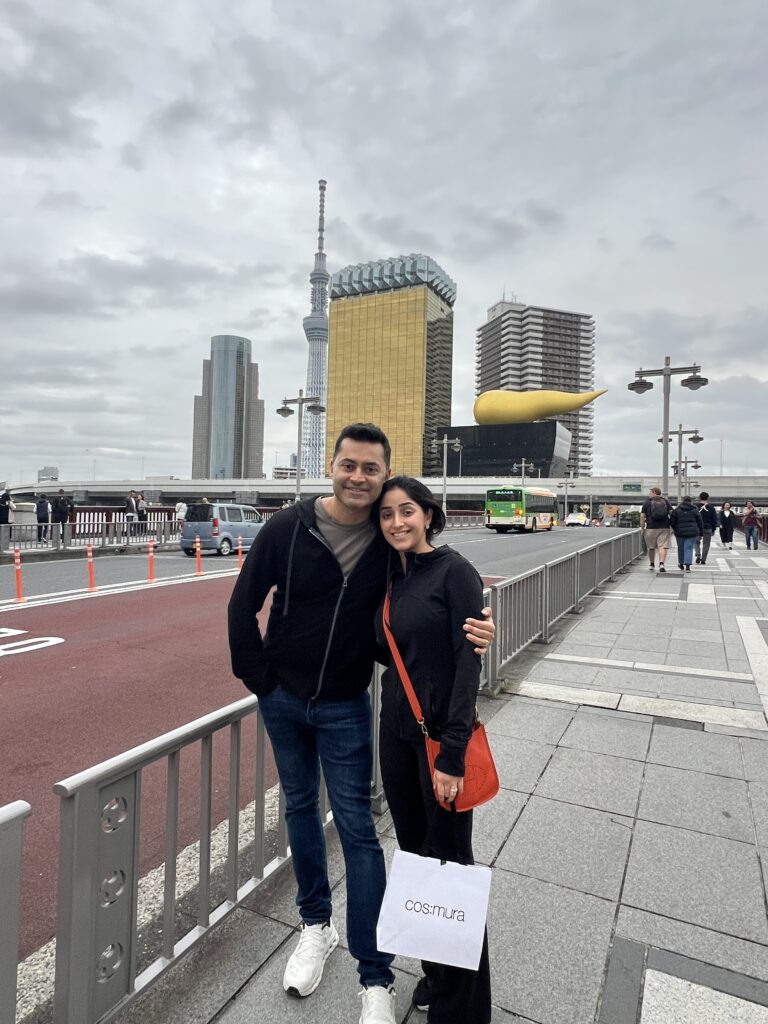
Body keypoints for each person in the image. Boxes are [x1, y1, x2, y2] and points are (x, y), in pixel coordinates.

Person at [228, 423, 494, 1024]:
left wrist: (474, 635)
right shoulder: (289, 528)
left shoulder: (400, 552)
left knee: (362, 831)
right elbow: (243, 602)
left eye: (370, 470)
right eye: (349, 465)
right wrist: (259, 679)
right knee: (301, 808)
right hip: (289, 700)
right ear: (333, 466)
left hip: (351, 704)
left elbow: (426, 626)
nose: (359, 478)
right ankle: (315, 926)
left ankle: (375, 975)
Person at [376, 476, 492, 1023]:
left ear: (427, 515)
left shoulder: (456, 572)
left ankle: (464, 1009)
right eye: (387, 515)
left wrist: (451, 754)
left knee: (451, 867)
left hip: (439, 744)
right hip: (396, 740)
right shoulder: (390, 581)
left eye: (407, 512)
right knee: (420, 863)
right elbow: (394, 653)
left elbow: (468, 665)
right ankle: (436, 975)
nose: (397, 522)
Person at [640, 486, 672, 573]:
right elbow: (672, 513)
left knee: (651, 547)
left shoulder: (647, 502)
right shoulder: (665, 501)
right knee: (662, 546)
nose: (649, 494)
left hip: (651, 527)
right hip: (664, 527)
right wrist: (671, 524)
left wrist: (642, 528)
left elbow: (642, 516)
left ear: (654, 492)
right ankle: (661, 564)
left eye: (650, 492)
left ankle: (651, 564)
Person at [670, 495, 703, 572]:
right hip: (692, 532)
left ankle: (681, 563)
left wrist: (676, 528)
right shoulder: (695, 510)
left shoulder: (677, 510)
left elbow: (672, 522)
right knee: (688, 548)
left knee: (680, 548)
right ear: (691, 501)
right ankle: (687, 565)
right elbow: (700, 522)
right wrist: (701, 533)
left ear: (682, 501)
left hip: (679, 533)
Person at [695, 491, 718, 565]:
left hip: (697, 527)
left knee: (696, 542)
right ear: (708, 498)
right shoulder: (711, 508)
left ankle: (698, 554)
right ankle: (703, 559)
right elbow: (714, 519)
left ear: (699, 497)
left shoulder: (695, 507)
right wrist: (713, 529)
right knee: (706, 544)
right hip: (708, 528)